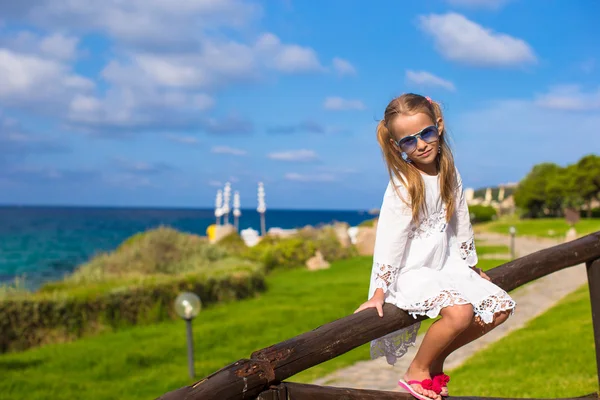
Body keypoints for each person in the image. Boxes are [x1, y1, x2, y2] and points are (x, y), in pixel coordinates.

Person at [354, 93, 516, 400]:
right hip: (413, 271)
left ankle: (434, 360)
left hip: (447, 265)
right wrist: (379, 291)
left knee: (500, 308)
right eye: (409, 141)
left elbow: (461, 222)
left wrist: (469, 266)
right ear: (396, 147)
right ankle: (417, 370)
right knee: (459, 313)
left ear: (438, 127)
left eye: (426, 133)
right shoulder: (404, 183)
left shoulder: (449, 173)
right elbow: (390, 240)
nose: (421, 145)